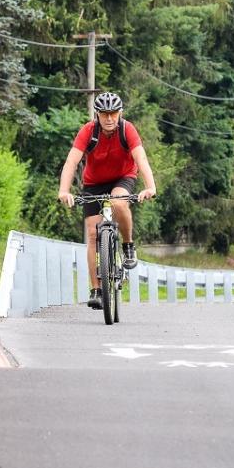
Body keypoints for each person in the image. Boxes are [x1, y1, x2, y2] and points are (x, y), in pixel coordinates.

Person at [57, 92, 158, 309]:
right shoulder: (88, 131)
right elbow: (71, 162)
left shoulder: (127, 129)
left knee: (118, 201)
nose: (109, 118)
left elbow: (141, 158)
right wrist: (64, 191)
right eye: (104, 114)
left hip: (124, 177)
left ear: (120, 113)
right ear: (98, 115)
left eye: (113, 113)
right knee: (93, 234)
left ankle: (128, 244)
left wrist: (150, 187)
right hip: (94, 183)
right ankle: (96, 290)